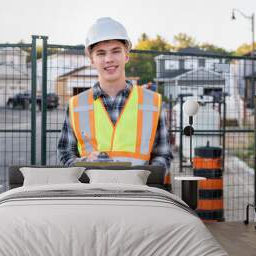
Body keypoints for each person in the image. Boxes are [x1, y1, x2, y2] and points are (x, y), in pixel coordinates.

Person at [57, 17, 173, 173]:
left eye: (116, 51)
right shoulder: (76, 105)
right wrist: (86, 162)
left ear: (126, 55)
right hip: (91, 193)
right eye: (101, 53)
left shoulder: (153, 102)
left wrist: (145, 176)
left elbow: (163, 155)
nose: (109, 59)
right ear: (92, 60)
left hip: (138, 194)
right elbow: (65, 155)